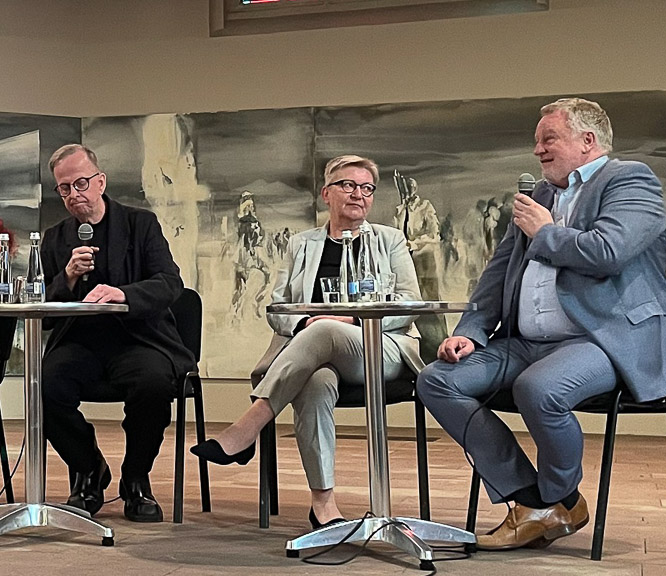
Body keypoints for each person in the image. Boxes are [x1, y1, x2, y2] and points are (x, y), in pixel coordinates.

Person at [417, 98, 666, 551]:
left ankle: (554, 494)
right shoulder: (539, 196)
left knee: (539, 389)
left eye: (549, 139)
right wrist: (470, 330)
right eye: (537, 141)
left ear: (588, 141)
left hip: (602, 337)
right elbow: (497, 273)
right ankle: (534, 501)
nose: (538, 150)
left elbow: (608, 251)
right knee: (438, 381)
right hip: (525, 342)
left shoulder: (630, 180)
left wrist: (544, 232)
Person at [192, 155, 424, 528]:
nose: (358, 195)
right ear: (326, 194)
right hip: (317, 357)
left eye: (367, 188)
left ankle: (250, 425)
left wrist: (345, 319)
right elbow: (277, 307)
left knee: (324, 329)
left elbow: (410, 303)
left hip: (382, 348)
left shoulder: (391, 239)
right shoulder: (302, 244)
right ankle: (323, 504)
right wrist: (305, 323)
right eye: (348, 185)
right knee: (315, 383)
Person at [40, 144, 192, 523]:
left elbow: (170, 283)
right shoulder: (56, 239)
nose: (74, 194)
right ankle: (89, 469)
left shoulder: (141, 224)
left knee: (154, 384)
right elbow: (43, 308)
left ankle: (136, 479)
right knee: (45, 385)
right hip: (80, 342)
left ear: (100, 181)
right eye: (64, 188)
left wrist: (124, 293)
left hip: (139, 338)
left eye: (81, 183)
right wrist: (68, 276)